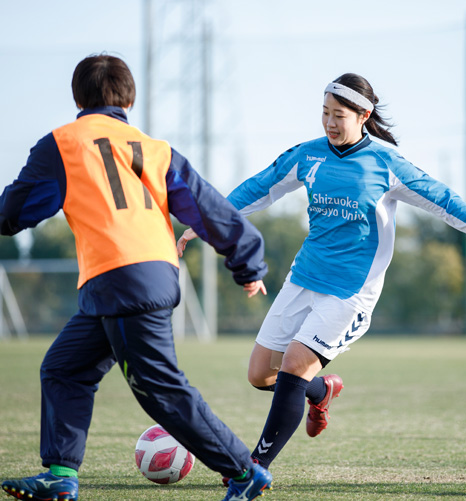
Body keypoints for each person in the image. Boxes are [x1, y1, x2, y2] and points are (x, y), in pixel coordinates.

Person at [177, 72, 466, 473]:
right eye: (324, 113)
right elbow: (259, 187)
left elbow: (442, 199)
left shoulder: (385, 162)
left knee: (292, 364)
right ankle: (321, 390)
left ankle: (255, 467)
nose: (329, 122)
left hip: (350, 293)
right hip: (303, 278)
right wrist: (205, 221)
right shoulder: (308, 155)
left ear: (364, 115)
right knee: (258, 374)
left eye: (338, 114)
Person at [0, 54, 272, 501]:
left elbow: (15, 212)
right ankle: (60, 475)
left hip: (120, 277)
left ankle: (244, 472)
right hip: (145, 276)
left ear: (78, 98)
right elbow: (206, 207)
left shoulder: (64, 143)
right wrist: (247, 262)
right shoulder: (154, 147)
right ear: (129, 99)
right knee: (65, 368)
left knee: (158, 388)